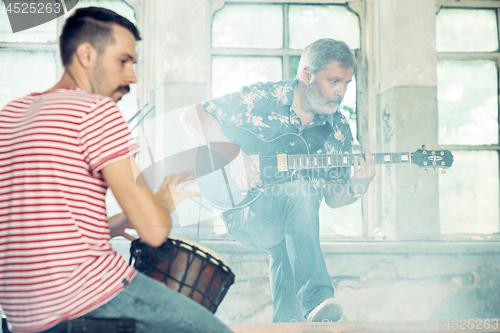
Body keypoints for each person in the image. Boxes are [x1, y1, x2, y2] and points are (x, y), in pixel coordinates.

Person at [0, 7, 234, 333]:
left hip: (23, 315)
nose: (132, 77)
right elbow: (154, 232)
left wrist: (123, 221)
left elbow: (39, 229)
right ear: (86, 55)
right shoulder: (97, 112)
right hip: (89, 293)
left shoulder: (10, 115)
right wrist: (162, 202)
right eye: (123, 61)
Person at [180, 38, 376, 323]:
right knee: (301, 189)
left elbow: (334, 197)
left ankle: (289, 324)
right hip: (245, 213)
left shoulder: (339, 129)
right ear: (307, 75)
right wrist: (233, 155)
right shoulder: (262, 98)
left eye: (347, 83)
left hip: (293, 225)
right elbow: (191, 116)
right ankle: (317, 298)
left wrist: (359, 186)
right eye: (334, 81)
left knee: (293, 234)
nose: (341, 92)